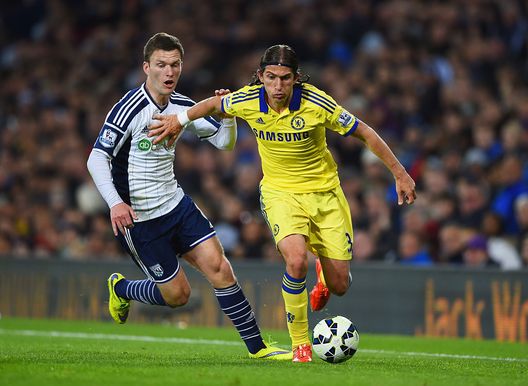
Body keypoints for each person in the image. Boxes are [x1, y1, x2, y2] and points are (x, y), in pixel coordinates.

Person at [148, 44, 417, 362]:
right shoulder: (248, 99)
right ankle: (301, 344)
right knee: (295, 260)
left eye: (285, 79)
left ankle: (324, 274)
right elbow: (212, 105)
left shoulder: (317, 103)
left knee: (340, 284)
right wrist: (178, 119)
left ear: (296, 78)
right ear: (261, 76)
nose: (277, 86)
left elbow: (366, 133)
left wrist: (400, 173)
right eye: (271, 77)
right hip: (280, 194)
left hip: (325, 194)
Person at [86, 33, 291, 360]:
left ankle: (259, 349)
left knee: (221, 269)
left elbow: (223, 143)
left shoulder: (182, 106)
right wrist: (115, 203)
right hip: (140, 220)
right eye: (161, 65)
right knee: (178, 295)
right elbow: (97, 158)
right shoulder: (129, 108)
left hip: (177, 206)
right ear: (146, 67)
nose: (169, 72)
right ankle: (121, 287)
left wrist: (228, 118)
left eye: (175, 65)